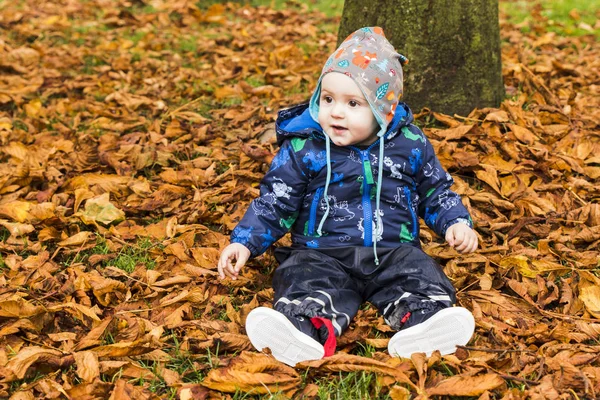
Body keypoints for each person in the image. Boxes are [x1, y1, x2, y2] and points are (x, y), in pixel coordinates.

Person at [218, 27, 478, 367]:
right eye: (328, 99)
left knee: (418, 272)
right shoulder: (304, 148)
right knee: (304, 277)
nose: (336, 112)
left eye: (353, 103)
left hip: (392, 250)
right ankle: (303, 327)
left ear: (383, 109)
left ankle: (423, 322)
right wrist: (244, 242)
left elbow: (434, 190)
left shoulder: (409, 144)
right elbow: (275, 200)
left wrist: (455, 223)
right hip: (322, 251)